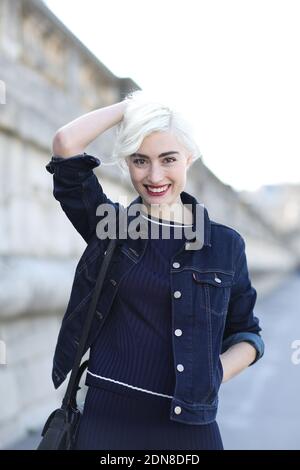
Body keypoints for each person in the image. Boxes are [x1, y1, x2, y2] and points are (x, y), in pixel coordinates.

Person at [46, 90, 264, 450]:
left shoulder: (225, 245)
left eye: (168, 159)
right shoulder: (109, 228)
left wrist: (212, 375)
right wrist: (132, 106)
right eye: (139, 160)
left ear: (189, 158)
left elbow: (248, 334)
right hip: (107, 420)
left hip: (189, 425)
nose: (154, 175)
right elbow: (65, 143)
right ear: (128, 163)